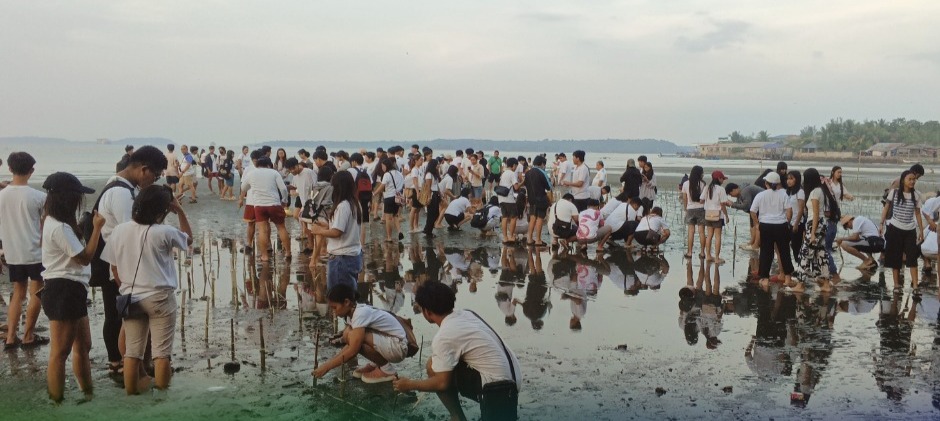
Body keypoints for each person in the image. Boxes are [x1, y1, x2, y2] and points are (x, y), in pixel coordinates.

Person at [101, 185, 192, 394]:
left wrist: (125, 289)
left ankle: (131, 397)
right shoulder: (164, 232)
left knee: (132, 353)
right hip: (159, 297)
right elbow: (189, 240)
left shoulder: (119, 230)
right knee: (161, 354)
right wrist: (180, 211)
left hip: (131, 297)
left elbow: (113, 266)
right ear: (163, 210)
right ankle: (161, 398)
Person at [393, 282, 521, 421]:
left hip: (499, 390)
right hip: (515, 378)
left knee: (435, 370)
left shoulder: (445, 335)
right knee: (434, 364)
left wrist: (410, 384)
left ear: (427, 312)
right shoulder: (466, 313)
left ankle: (457, 417)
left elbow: (442, 383)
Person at [94, 145, 168, 374]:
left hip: (119, 262)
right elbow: (136, 231)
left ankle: (127, 365)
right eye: (154, 176)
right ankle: (124, 365)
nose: (153, 181)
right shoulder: (121, 193)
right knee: (124, 319)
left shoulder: (120, 186)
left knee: (120, 316)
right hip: (121, 267)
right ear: (143, 169)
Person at [39, 172, 105, 403]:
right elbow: (85, 258)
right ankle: (56, 402)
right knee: (60, 352)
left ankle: (87, 394)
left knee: (84, 345)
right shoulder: (59, 227)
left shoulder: (55, 222)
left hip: (72, 289)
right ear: (68, 199)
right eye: (77, 197)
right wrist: (96, 228)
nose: (80, 201)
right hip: (62, 290)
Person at [313, 284, 413, 383]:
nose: (333, 312)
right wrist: (328, 364)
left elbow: (353, 350)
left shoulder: (360, 314)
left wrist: (327, 367)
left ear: (347, 302)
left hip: (398, 347)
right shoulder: (352, 313)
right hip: (390, 342)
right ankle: (377, 363)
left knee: (353, 336)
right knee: (349, 334)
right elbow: (349, 345)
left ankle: (387, 370)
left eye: (335, 307)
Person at [1, 152, 48, 350]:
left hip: (13, 251)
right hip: (35, 251)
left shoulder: (1, 196)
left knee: (17, 293)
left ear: (10, 169)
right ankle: (28, 334)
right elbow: (45, 225)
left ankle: (11, 336)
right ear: (32, 171)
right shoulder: (39, 197)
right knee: (36, 291)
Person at [310, 171, 362, 289]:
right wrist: (326, 227)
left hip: (342, 258)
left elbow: (337, 232)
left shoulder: (343, 206)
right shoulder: (355, 203)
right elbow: (346, 228)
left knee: (339, 297)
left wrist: (319, 231)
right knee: (348, 295)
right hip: (353, 254)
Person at [793, 168, 836, 293]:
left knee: (805, 253)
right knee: (820, 254)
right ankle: (826, 283)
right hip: (820, 224)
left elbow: (816, 214)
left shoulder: (814, 193)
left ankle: (800, 284)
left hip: (815, 225)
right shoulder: (820, 190)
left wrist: (812, 233)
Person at [880, 170, 924, 290]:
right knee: (896, 258)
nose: (912, 181)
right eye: (909, 179)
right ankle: (896, 285)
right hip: (895, 229)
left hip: (910, 230)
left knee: (912, 258)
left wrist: (921, 231)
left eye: (914, 179)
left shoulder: (916, 195)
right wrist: (881, 224)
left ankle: (915, 285)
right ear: (903, 180)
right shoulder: (894, 193)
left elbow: (918, 214)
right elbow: (886, 208)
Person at [240, 156, 290, 262]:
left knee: (262, 230)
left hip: (259, 205)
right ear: (269, 164)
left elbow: (243, 188)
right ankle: (288, 252)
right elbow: (283, 188)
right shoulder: (274, 173)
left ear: (257, 165)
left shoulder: (251, 173)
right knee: (281, 228)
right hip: (274, 204)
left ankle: (264, 256)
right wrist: (284, 200)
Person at [750, 172, 794, 289]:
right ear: (779, 183)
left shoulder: (761, 195)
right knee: (784, 251)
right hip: (781, 225)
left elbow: (753, 211)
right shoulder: (784, 194)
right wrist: (787, 222)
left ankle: (764, 278)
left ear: (766, 183)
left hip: (765, 225)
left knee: (766, 251)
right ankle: (788, 277)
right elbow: (789, 210)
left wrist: (757, 224)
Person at [700, 170, 731, 264]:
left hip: (708, 214)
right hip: (718, 215)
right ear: (719, 178)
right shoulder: (721, 189)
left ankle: (708, 256)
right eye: (722, 178)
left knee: (709, 236)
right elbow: (723, 204)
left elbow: (701, 200)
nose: (723, 180)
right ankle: (717, 258)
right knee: (718, 237)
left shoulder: (707, 187)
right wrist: (726, 215)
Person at [524, 155, 553, 247]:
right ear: (542, 164)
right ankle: (538, 240)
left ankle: (529, 238)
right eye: (544, 164)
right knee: (540, 219)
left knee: (532, 218)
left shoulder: (528, 173)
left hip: (531, 199)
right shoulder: (542, 172)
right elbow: (549, 187)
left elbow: (526, 185)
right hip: (541, 198)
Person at [726, 182, 764, 250]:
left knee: (757, 226)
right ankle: (752, 242)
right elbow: (740, 204)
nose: (731, 196)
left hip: (762, 207)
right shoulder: (741, 192)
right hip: (756, 209)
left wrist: (732, 204)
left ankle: (756, 245)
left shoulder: (745, 191)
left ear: (734, 189)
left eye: (730, 194)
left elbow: (746, 206)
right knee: (754, 225)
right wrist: (731, 204)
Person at [375, 158, 405, 243]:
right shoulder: (399, 173)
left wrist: (374, 193)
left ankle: (389, 237)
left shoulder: (387, 174)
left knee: (388, 218)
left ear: (386, 165)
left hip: (389, 197)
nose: (382, 168)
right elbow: (403, 184)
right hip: (397, 198)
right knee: (395, 216)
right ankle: (399, 232)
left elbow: (382, 186)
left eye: (383, 166)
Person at [681, 165, 706, 259]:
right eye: (702, 173)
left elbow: (684, 197)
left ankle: (690, 252)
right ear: (700, 174)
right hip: (701, 209)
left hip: (690, 209)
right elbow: (704, 199)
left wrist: (685, 208)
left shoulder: (686, 183)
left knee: (691, 232)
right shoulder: (703, 184)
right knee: (701, 232)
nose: (703, 174)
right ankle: (703, 253)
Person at [498, 158, 523, 245]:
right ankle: (511, 236)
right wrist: (522, 182)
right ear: (514, 165)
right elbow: (516, 187)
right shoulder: (512, 174)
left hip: (501, 198)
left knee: (504, 217)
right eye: (516, 166)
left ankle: (505, 237)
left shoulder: (504, 173)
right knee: (513, 217)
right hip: (509, 199)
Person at [785, 170, 805, 265]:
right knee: (786, 245)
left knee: (796, 246)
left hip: (798, 223)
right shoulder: (789, 192)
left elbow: (801, 210)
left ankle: (800, 266)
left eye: (791, 178)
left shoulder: (800, 192)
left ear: (797, 180)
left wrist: (796, 224)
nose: (788, 181)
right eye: (788, 178)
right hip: (789, 222)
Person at [422, 159, 443, 237]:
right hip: (431, 194)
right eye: (437, 164)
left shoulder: (435, 173)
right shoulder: (429, 174)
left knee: (436, 213)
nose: (438, 165)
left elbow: (437, 185)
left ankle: (427, 228)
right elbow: (428, 187)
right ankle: (428, 231)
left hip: (436, 193)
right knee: (431, 213)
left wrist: (440, 194)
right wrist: (429, 197)